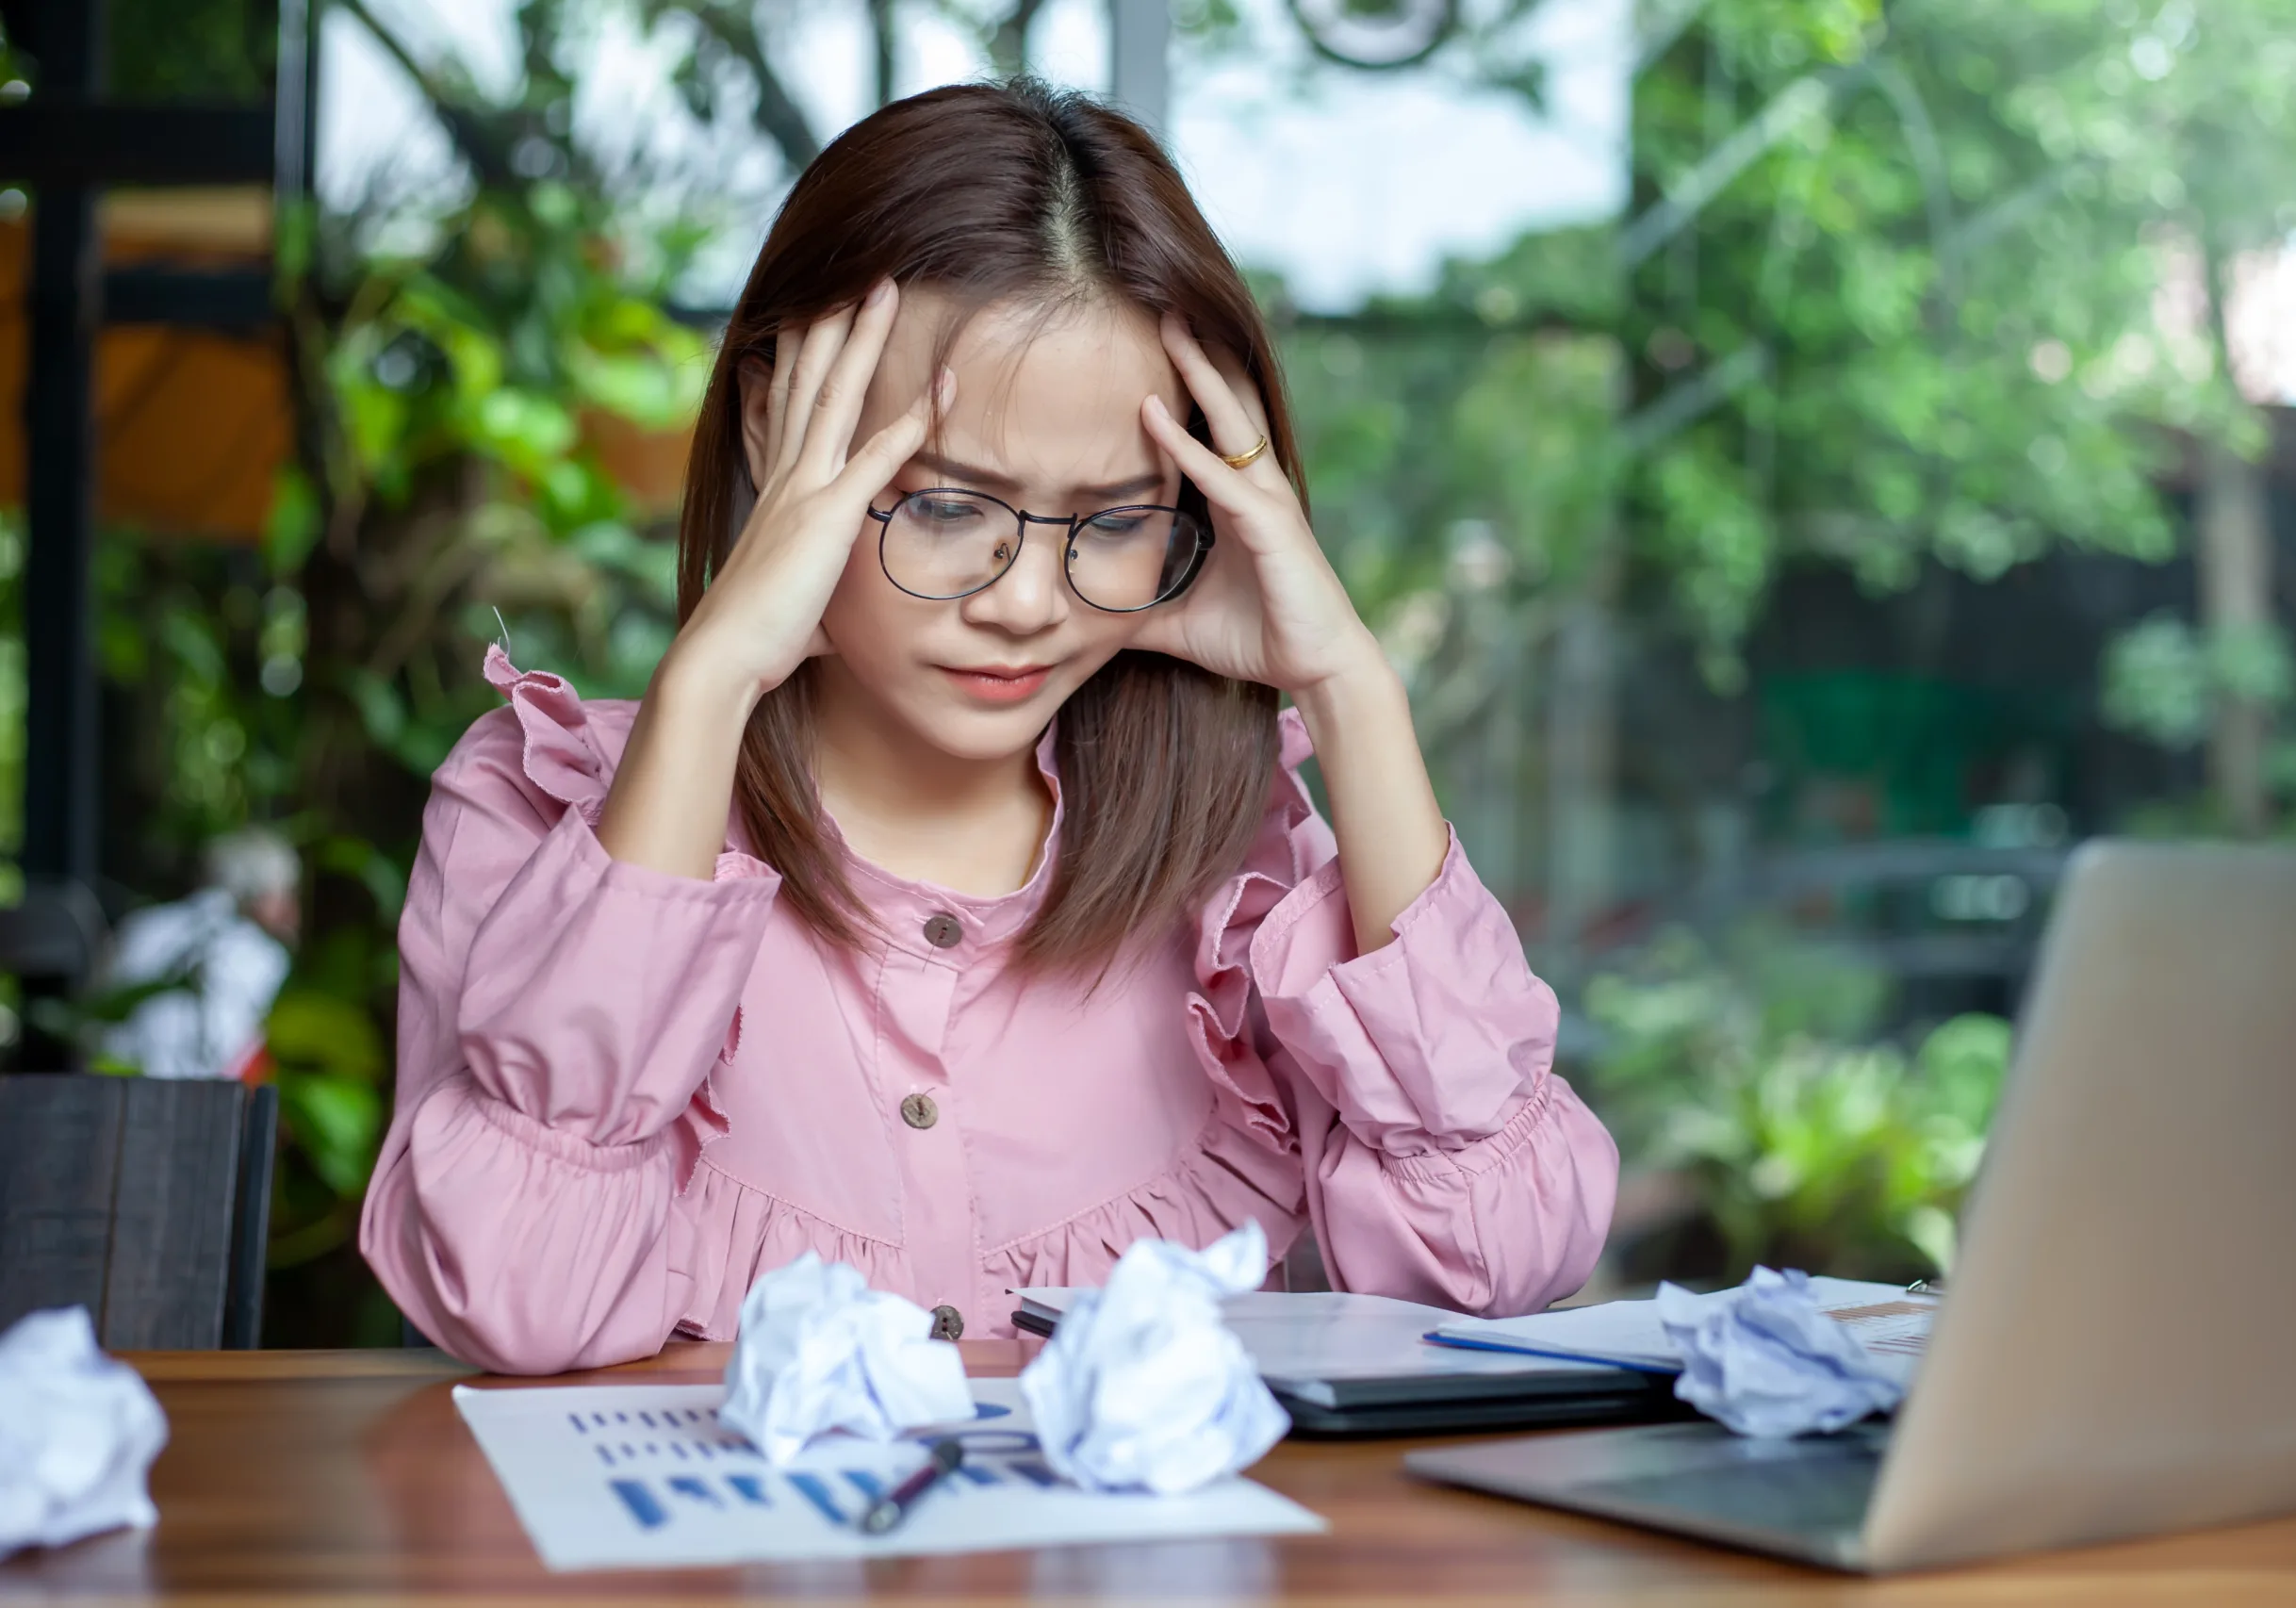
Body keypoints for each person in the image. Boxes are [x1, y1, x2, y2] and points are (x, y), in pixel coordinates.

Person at [359, 80, 1617, 1374]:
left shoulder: (1245, 872)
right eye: (949, 506)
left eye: (1117, 520)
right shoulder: (539, 804)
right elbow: (516, 1291)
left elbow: (1492, 1264)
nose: (1026, 604)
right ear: (767, 424)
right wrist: (710, 680)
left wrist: (1351, 685)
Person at [93, 828, 296, 1083]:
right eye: (284, 894)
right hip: (199, 1108)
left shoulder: (140, 925)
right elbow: (246, 1066)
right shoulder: (263, 955)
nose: (291, 910)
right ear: (259, 894)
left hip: (107, 1090)